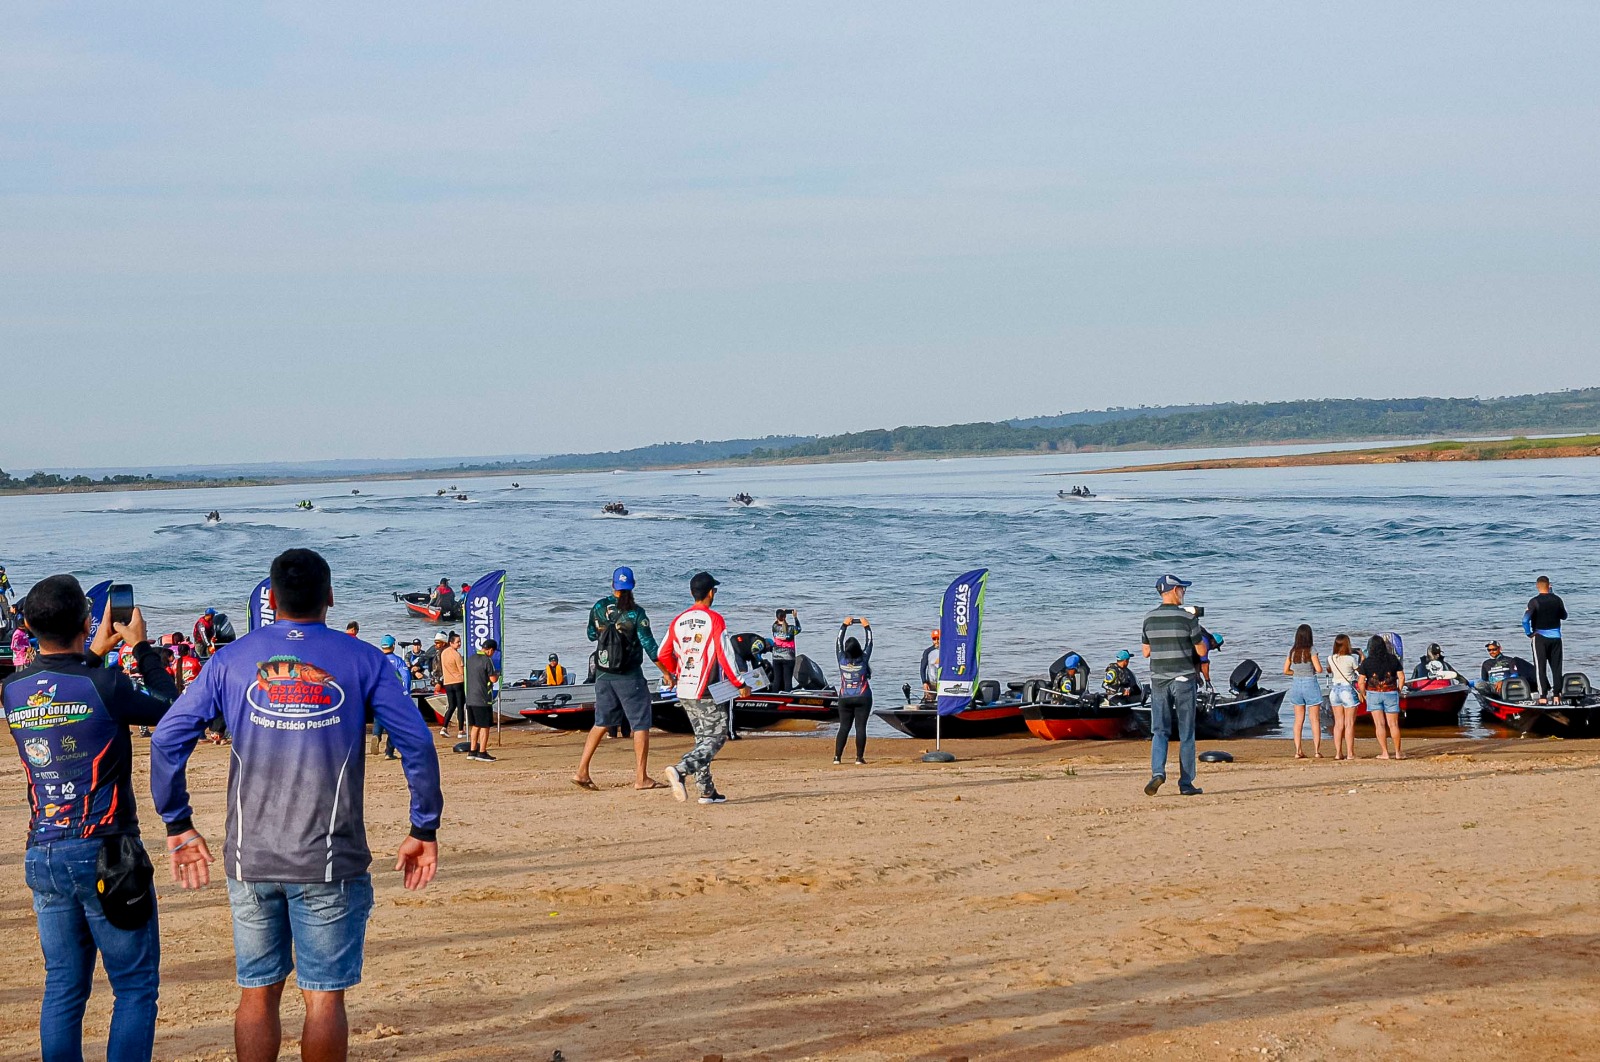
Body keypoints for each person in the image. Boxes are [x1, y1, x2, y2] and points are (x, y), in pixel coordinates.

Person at [150, 548, 442, 1062]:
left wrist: (178, 822)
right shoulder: (363, 658)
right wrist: (423, 826)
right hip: (328, 859)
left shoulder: (230, 659)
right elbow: (416, 743)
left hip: (251, 858)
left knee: (258, 990)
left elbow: (167, 738)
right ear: (329, 597)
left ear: (271, 599)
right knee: (323, 996)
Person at [3, 576, 178, 1062]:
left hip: (44, 849)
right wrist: (141, 648)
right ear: (86, 621)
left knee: (62, 986)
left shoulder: (12, 690)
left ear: (28, 625)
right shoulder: (106, 683)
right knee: (135, 986)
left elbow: (62, 693)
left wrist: (91, 650)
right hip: (106, 850)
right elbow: (171, 708)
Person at [659, 572, 750, 805]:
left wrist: (675, 672)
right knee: (717, 736)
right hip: (706, 689)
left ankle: (706, 791)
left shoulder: (678, 620)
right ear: (711, 593)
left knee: (702, 739)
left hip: (685, 687)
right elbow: (725, 655)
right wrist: (740, 684)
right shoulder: (715, 619)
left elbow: (662, 654)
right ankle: (680, 770)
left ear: (692, 593)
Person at [574, 567, 666, 791]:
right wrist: (666, 671)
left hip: (603, 675)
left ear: (613, 585)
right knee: (641, 724)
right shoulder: (636, 613)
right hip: (629, 676)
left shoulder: (598, 607)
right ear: (632, 586)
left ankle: (582, 770)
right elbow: (650, 646)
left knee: (601, 722)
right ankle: (641, 777)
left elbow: (590, 635)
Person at [1140, 574, 1209, 797]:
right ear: (1173, 590)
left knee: (1159, 730)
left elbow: (1146, 652)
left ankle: (1157, 772)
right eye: (1181, 589)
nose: (1183, 593)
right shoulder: (1187, 618)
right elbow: (1202, 651)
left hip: (1159, 679)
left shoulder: (1149, 618)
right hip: (1184, 679)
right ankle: (1186, 783)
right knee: (1186, 732)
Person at [1358, 634, 1405, 759]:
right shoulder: (1393, 659)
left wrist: (1363, 693)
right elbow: (1401, 677)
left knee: (1379, 725)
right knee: (1393, 724)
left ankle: (1385, 752)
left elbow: (1361, 681)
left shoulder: (1366, 662)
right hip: (1391, 692)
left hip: (1373, 694)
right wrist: (1398, 690)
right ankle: (1398, 752)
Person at [833, 617, 873, 765]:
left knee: (844, 727)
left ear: (846, 649)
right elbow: (870, 642)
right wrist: (867, 627)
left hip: (845, 697)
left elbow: (837, 641)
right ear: (858, 648)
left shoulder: (841, 658)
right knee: (860, 727)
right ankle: (859, 758)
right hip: (863, 696)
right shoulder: (863, 658)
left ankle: (837, 757)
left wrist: (843, 625)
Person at [1283, 624, 1325, 759]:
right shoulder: (1311, 650)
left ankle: (1298, 750)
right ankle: (1317, 751)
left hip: (1296, 684)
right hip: (1310, 683)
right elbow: (1319, 669)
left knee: (1298, 720)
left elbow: (1285, 670)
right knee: (1315, 720)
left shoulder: (1292, 651)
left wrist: (1296, 672)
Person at [1525, 576, 1567, 703]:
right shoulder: (1557, 600)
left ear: (1537, 586)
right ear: (1549, 586)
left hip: (1540, 638)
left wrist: (1529, 633)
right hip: (1556, 638)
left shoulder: (1534, 602)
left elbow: (1525, 620)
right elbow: (1564, 616)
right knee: (1557, 667)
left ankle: (1543, 697)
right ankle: (1556, 696)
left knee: (1540, 667)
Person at [1327, 634, 1362, 761]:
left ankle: (1338, 753)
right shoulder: (1351, 659)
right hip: (1347, 689)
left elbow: (1329, 670)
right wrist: (1362, 656)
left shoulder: (1330, 658)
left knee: (1338, 724)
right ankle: (1350, 753)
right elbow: (1360, 672)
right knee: (1349, 723)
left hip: (1334, 690)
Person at [464, 638, 499, 762]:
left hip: (470, 698)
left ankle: (472, 750)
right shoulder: (487, 660)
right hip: (482, 699)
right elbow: (493, 679)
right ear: (489, 650)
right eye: (493, 651)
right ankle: (482, 751)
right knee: (485, 726)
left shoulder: (470, 659)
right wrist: (498, 674)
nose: (493, 654)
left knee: (475, 725)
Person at [374, 635, 407, 760]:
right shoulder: (398, 661)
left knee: (379, 717)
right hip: (393, 695)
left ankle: (376, 735)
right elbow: (405, 677)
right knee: (394, 724)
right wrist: (406, 693)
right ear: (393, 646)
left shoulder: (377, 661)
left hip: (378, 695)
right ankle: (389, 751)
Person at [437, 632, 466, 739]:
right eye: (457, 642)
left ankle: (444, 728)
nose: (459, 644)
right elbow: (462, 671)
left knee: (451, 706)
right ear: (451, 643)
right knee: (460, 706)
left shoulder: (443, 653)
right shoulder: (456, 655)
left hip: (447, 683)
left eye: (460, 642)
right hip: (458, 682)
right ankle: (461, 730)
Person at [770, 609, 802, 692]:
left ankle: (774, 697)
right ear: (785, 617)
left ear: (776, 617)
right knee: (788, 680)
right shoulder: (791, 629)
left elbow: (776, 622)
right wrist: (795, 617)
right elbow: (799, 628)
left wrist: (781, 614)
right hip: (788, 657)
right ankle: (788, 698)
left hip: (776, 656)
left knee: (777, 679)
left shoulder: (774, 627)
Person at [918, 630, 941, 706]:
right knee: (928, 703)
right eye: (934, 639)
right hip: (931, 683)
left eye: (938, 638)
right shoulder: (928, 652)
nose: (936, 641)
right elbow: (922, 668)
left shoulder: (947, 651)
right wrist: (924, 682)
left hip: (944, 682)